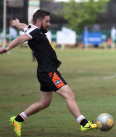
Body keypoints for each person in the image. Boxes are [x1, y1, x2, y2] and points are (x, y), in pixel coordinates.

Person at [0, 9, 97, 137]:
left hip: (45, 71)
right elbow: (21, 38)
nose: (49, 24)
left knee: (44, 102)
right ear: (39, 21)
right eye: (47, 21)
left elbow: (24, 27)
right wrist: (7, 48)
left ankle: (17, 120)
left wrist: (17, 24)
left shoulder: (32, 29)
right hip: (48, 71)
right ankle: (84, 123)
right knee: (69, 95)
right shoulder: (34, 32)